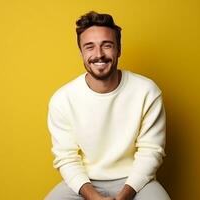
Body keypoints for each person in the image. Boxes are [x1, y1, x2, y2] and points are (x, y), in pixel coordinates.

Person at [45, 11, 171, 200]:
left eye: (107, 45)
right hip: (85, 182)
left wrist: (124, 196)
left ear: (119, 49)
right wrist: (94, 197)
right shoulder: (63, 99)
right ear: (81, 52)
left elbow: (151, 152)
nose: (99, 54)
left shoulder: (147, 91)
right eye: (89, 47)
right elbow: (66, 158)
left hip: (137, 181)